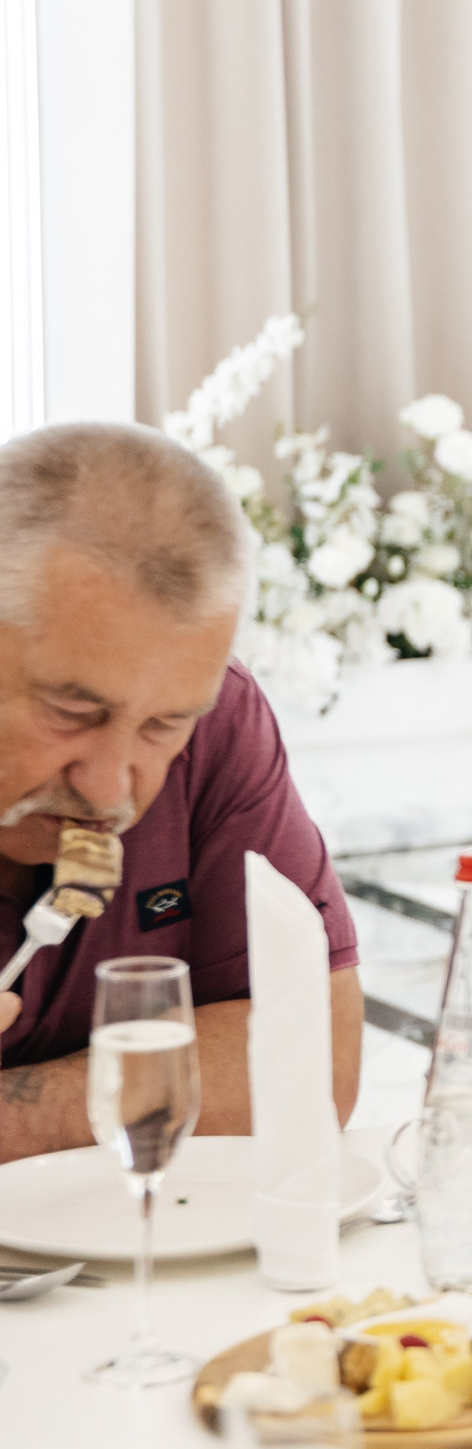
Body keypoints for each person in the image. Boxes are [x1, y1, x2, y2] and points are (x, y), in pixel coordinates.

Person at [0, 423, 363, 1161]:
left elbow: (315, 1066)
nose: (112, 790)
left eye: (163, 725)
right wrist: (165, 1074)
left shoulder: (219, 717)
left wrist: (19, 1113)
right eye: (72, 710)